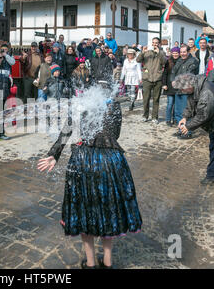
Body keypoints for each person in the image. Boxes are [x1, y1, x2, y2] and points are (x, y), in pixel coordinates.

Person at [38, 80, 142, 269]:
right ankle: (108, 262)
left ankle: (91, 263)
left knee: (84, 211)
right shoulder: (114, 105)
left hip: (84, 160)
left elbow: (67, 130)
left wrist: (54, 155)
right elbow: (115, 135)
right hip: (112, 161)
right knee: (108, 210)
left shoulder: (80, 103)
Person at [172, 74, 214, 185]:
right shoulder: (195, 87)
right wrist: (185, 117)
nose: (182, 91)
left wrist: (188, 126)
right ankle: (211, 175)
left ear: (189, 86)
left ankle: (211, 176)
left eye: (182, 89)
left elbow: (203, 115)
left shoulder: (206, 92)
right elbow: (190, 103)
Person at [171, 45, 199, 139]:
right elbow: (173, 72)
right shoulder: (179, 60)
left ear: (188, 51)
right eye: (181, 52)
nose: (182, 54)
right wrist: (172, 80)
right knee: (178, 112)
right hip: (178, 89)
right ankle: (181, 130)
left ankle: (188, 131)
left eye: (184, 52)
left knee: (187, 112)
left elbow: (187, 74)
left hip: (187, 90)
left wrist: (177, 81)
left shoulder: (193, 61)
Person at [136, 37, 166, 124]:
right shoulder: (147, 52)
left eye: (156, 43)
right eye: (153, 43)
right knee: (146, 99)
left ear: (159, 44)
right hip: (147, 78)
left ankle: (154, 117)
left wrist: (159, 53)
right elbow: (138, 60)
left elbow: (164, 62)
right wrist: (142, 52)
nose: (154, 44)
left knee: (156, 99)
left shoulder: (162, 53)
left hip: (157, 78)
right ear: (151, 43)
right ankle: (145, 116)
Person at [162, 47, 180, 126]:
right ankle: (168, 119)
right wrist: (164, 84)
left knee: (177, 105)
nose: (175, 54)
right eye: (174, 53)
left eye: (176, 53)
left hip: (178, 86)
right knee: (170, 104)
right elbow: (164, 74)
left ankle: (175, 119)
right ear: (171, 53)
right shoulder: (168, 62)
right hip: (169, 86)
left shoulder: (181, 61)